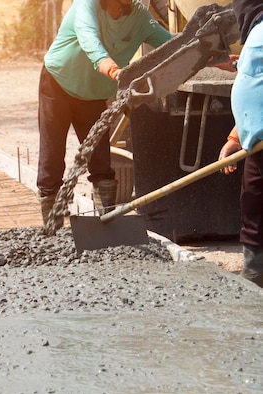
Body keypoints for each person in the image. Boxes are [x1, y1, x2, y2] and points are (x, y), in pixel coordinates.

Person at [37, 0, 172, 227]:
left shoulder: (139, 15)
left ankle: (106, 223)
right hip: (58, 84)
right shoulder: (86, 5)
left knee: (100, 160)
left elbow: (173, 45)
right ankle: (52, 226)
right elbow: (90, 40)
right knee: (52, 155)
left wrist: (217, 60)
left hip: (95, 94)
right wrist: (113, 69)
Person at [217, 0, 263, 287]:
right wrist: (236, 136)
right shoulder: (256, 38)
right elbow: (254, 86)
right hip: (256, 139)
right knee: (254, 197)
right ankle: (255, 272)